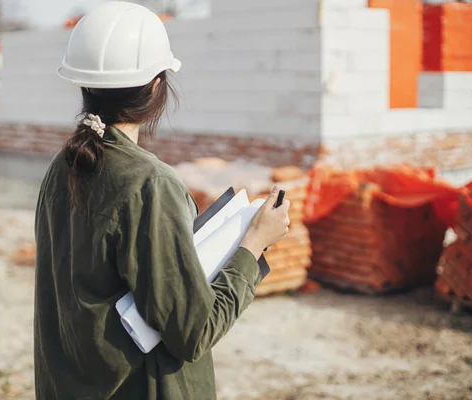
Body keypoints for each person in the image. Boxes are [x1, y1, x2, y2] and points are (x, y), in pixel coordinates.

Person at [34, 2, 291, 399]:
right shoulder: (149, 184)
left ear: (84, 85)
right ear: (157, 85)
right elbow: (194, 331)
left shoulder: (62, 167)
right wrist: (253, 244)